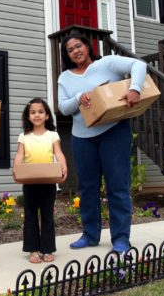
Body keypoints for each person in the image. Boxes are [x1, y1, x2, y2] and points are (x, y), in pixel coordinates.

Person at [57, 34, 147, 254]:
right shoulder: (65, 78)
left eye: (79, 45)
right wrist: (79, 97)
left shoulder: (107, 63)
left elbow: (139, 65)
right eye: (70, 49)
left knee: (118, 186)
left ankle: (120, 238)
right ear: (67, 55)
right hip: (82, 138)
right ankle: (90, 235)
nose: (75, 51)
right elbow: (63, 108)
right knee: (87, 188)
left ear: (88, 46)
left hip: (114, 132)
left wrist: (135, 88)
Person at [12, 98, 67, 264]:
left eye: (41, 112)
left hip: (48, 183)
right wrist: (16, 169)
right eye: (33, 112)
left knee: (47, 215)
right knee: (30, 216)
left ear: (47, 116)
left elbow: (58, 153)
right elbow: (20, 155)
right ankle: (33, 250)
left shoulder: (52, 135)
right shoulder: (24, 137)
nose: (37, 115)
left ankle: (47, 248)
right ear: (28, 116)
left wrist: (63, 166)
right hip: (29, 183)